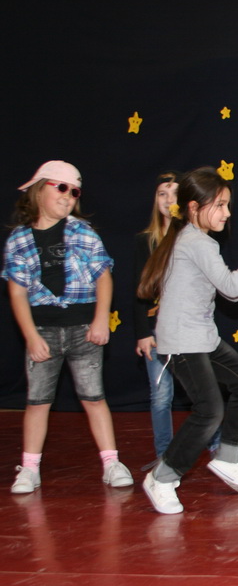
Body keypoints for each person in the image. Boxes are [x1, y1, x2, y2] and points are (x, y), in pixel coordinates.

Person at [137, 167, 238, 514]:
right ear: (193, 207)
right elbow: (232, 289)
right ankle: (162, 477)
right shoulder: (196, 242)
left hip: (201, 337)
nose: (227, 213)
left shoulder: (194, 240)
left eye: (228, 204)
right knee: (209, 410)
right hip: (182, 340)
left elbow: (234, 290)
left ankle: (228, 458)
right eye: (219, 205)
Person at [4, 160, 133, 494]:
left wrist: (101, 318)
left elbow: (103, 276)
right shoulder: (19, 239)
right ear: (39, 190)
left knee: (94, 397)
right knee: (37, 401)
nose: (68, 196)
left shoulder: (82, 232)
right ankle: (29, 468)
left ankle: (111, 462)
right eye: (61, 188)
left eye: (75, 192)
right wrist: (30, 336)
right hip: (43, 331)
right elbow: (17, 292)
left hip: (83, 329)